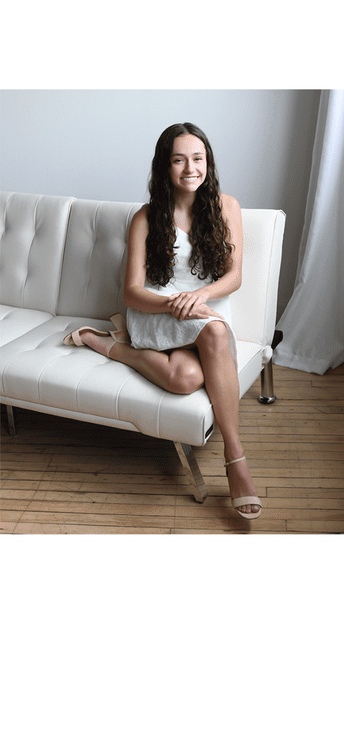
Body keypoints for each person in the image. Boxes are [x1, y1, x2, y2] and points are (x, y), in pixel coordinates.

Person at [64, 123, 262, 519]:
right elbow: (132, 292)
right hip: (157, 313)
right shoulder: (145, 218)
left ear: (208, 162)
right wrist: (175, 304)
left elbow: (234, 277)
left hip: (204, 309)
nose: (190, 168)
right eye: (178, 159)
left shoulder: (228, 207)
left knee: (187, 377)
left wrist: (199, 296)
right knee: (215, 332)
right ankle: (235, 458)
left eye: (198, 158)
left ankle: (112, 347)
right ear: (163, 165)